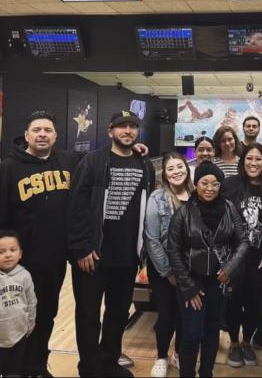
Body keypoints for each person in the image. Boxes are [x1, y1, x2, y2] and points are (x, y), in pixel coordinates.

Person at [67, 111, 155, 378]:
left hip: (127, 256)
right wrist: (81, 246)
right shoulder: (93, 161)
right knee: (88, 315)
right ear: (110, 132)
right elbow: (76, 206)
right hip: (93, 255)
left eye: (132, 127)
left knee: (117, 314)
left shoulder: (145, 165)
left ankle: (108, 362)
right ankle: (89, 368)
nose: (127, 131)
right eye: (121, 127)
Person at [0, 110, 81, 376]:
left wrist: (137, 149)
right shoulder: (9, 167)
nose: (42, 134)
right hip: (20, 262)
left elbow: (102, 160)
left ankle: (37, 365)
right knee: (16, 317)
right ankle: (16, 367)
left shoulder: (68, 160)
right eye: (37, 130)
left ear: (56, 135)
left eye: (47, 130)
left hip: (55, 259)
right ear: (26, 135)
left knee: (47, 314)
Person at [167, 161, 248, 378]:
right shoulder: (184, 213)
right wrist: (188, 287)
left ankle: (206, 373)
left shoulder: (230, 208)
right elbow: (173, 250)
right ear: (196, 184)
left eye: (215, 183)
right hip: (192, 281)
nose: (210, 188)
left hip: (219, 280)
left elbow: (243, 242)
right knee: (192, 335)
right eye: (204, 183)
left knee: (212, 331)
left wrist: (230, 267)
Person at [222, 143, 262, 367]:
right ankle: (234, 343)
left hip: (259, 256)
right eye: (249, 159)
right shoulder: (231, 184)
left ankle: (246, 342)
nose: (253, 164)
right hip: (233, 256)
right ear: (242, 162)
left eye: (258, 160)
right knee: (233, 300)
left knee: (255, 302)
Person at [144, 153, 194, 378]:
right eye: (171, 168)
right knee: (166, 315)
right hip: (164, 269)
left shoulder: (196, 195)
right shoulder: (157, 198)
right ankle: (162, 356)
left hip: (192, 268)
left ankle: (180, 354)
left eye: (180, 167)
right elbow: (152, 239)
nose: (176, 171)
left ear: (187, 168)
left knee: (187, 315)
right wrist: (167, 271)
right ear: (164, 174)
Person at [0, 230, 37, 378]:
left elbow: (31, 302)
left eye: (12, 250)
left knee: (14, 372)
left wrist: (29, 325)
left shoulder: (25, 276)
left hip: (18, 336)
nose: (8, 255)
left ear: (20, 253)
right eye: (1, 251)